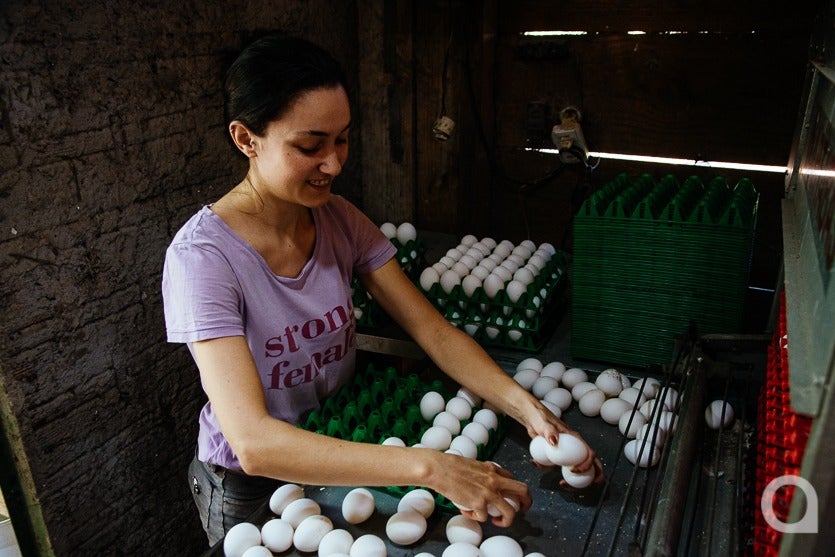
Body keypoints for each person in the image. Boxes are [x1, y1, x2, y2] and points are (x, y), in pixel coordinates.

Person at [161, 32, 601, 546]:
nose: (334, 163)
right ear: (245, 139)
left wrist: (530, 412)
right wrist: (433, 468)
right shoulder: (204, 259)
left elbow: (435, 333)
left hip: (340, 453)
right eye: (310, 146)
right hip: (251, 486)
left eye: (342, 139)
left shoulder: (339, 220)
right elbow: (253, 442)